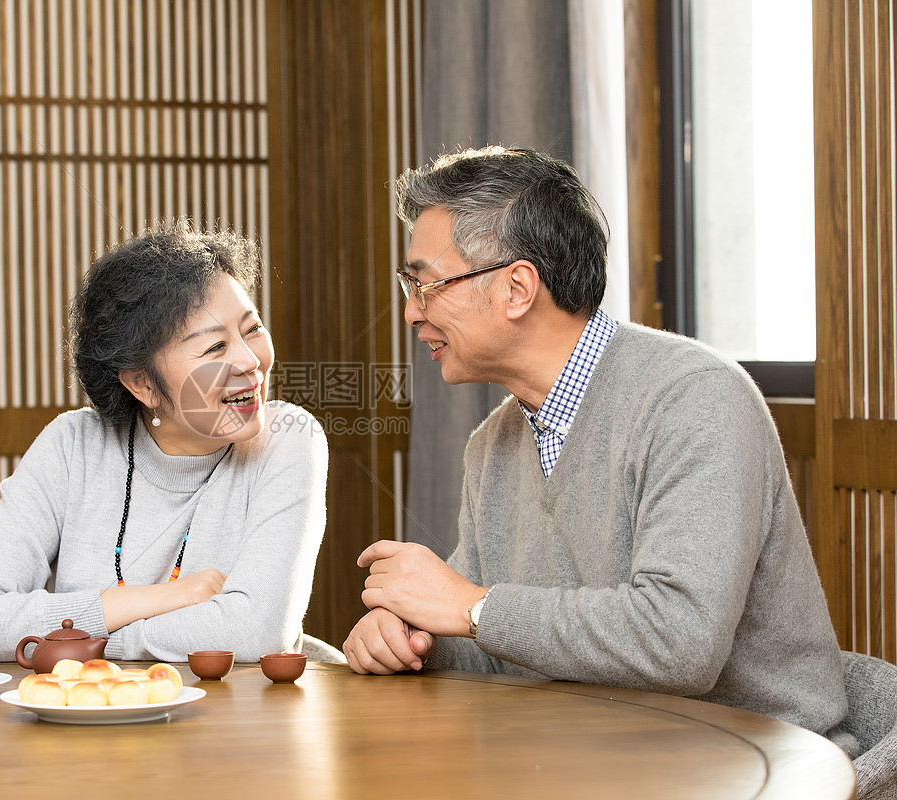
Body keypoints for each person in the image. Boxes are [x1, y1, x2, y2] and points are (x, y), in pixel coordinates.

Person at [343, 145, 857, 753]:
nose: (409, 312)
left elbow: (679, 643)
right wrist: (409, 633)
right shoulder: (493, 444)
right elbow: (489, 646)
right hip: (600, 758)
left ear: (516, 288)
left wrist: (469, 607)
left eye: (425, 284)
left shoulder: (695, 399)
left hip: (758, 762)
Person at [0, 224, 328, 663]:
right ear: (142, 383)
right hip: (89, 720)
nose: (249, 360)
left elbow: (256, 631)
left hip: (234, 722)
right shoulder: (73, 447)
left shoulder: (287, 438)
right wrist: (155, 599)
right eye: (215, 347)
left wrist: (86, 643)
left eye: (252, 328)